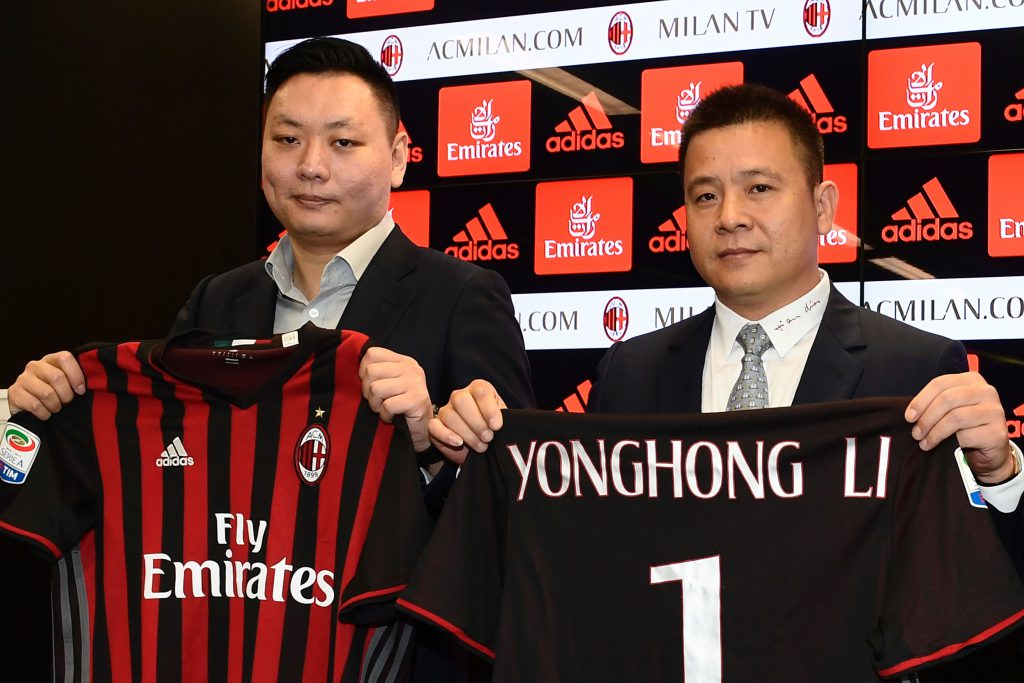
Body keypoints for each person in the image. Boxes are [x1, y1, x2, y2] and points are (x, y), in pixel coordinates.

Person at [6, 36, 534, 680]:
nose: (311, 166)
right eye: (287, 139)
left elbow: (520, 507)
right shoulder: (217, 299)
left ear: (397, 158)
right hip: (229, 652)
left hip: (392, 660)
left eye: (343, 142)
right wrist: (27, 417)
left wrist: (429, 451)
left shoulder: (463, 296)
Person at [429, 83, 1024, 649]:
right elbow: (576, 565)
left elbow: (977, 594)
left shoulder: (916, 367)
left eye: (759, 188)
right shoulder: (630, 374)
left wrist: (999, 472)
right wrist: (478, 463)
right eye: (705, 195)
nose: (729, 216)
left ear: (822, 207)